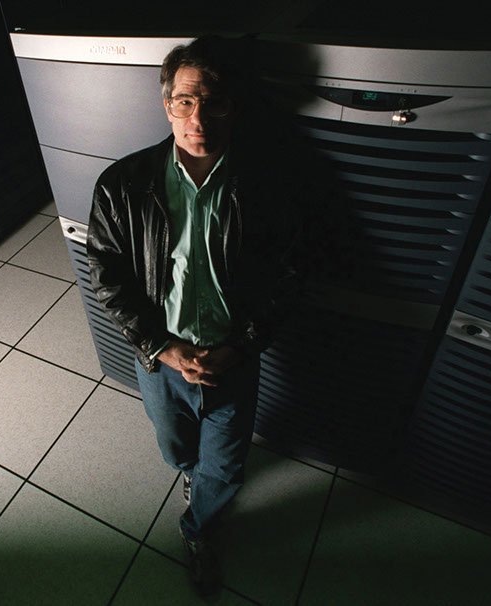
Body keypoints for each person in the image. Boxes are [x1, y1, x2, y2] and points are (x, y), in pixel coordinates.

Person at [86, 36, 315, 596]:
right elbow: (107, 276)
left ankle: (198, 529)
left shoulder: (269, 186)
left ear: (234, 106)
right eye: (185, 102)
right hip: (159, 358)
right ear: (166, 105)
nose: (198, 119)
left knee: (227, 467)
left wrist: (241, 346)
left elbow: (289, 276)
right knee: (173, 447)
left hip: (233, 356)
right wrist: (160, 347)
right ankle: (191, 473)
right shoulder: (122, 185)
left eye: (214, 103)